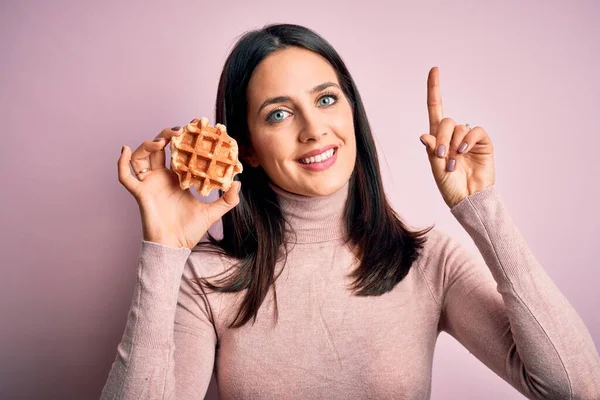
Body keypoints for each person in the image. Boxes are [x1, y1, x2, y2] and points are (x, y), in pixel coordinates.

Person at [101, 23, 600, 399]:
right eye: (278, 112)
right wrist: (163, 250)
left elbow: (575, 387)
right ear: (247, 148)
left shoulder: (427, 260)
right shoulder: (209, 278)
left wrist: (481, 209)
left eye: (326, 99)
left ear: (351, 113)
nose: (314, 128)